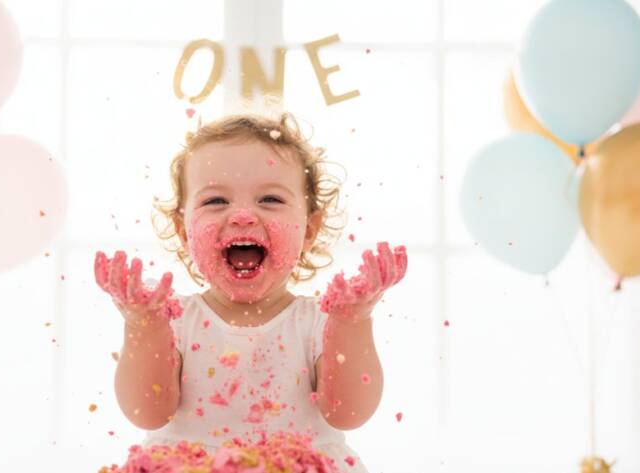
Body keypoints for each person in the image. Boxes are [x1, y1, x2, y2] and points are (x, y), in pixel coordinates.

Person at [94, 113, 407, 472]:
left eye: (270, 199)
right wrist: (143, 325)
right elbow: (147, 413)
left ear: (309, 229)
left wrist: (353, 321)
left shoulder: (321, 321)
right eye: (215, 201)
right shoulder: (173, 319)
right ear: (183, 231)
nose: (242, 215)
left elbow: (349, 413)